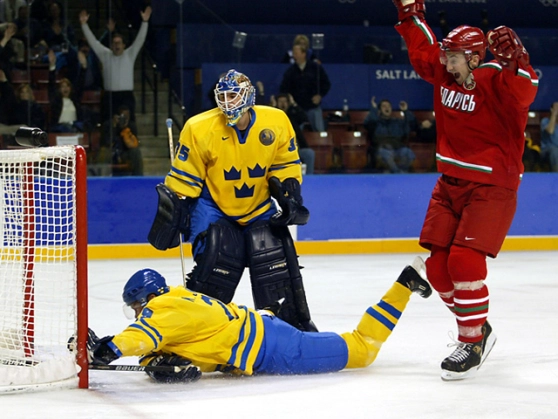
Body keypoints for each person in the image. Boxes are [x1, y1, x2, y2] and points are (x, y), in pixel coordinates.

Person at [390, 0, 538, 380]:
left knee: (463, 263)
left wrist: (518, 59)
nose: (446, 63)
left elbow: (525, 91)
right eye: (447, 56)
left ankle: (471, 341)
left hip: (492, 185)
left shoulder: (496, 80)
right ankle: (479, 327)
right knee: (438, 269)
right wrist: (411, 14)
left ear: (474, 59)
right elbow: (422, 49)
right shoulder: (444, 74)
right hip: (450, 183)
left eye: (454, 57)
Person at [147, 69, 316, 332]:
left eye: (233, 95)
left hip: (258, 204)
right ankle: (198, 327)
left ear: (248, 96)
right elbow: (184, 179)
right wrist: (174, 216)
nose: (227, 102)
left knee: (274, 254)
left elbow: (285, 164)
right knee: (216, 256)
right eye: (222, 96)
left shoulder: (276, 121)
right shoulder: (198, 127)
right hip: (214, 205)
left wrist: (290, 195)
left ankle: (292, 322)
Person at [87, 257, 432, 382]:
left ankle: (404, 285)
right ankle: (404, 284)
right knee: (357, 346)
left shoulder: (164, 310)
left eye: (135, 306)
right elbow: (160, 345)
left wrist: (112, 348)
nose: (136, 312)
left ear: (146, 299)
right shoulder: (175, 302)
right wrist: (157, 364)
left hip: (273, 348)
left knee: (362, 349)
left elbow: (143, 335)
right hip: (265, 335)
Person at [79, 6, 152, 122]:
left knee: (129, 129)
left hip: (126, 97)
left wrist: (145, 22)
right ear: (111, 45)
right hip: (110, 97)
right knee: (108, 126)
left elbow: (140, 40)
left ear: (124, 45)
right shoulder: (105, 55)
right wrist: (84, 25)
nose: (117, 45)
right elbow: (93, 42)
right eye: (114, 43)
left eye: (119, 43)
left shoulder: (129, 54)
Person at [280, 42, 330, 132]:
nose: (294, 56)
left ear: (303, 54)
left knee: (319, 130)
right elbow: (283, 88)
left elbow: (326, 84)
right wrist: (290, 99)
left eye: (296, 53)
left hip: (313, 107)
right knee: (295, 131)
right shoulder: (290, 71)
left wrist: (319, 95)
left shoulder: (315, 68)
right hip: (297, 108)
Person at [364, 97, 416, 173]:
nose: (387, 108)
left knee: (408, 153)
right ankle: (399, 174)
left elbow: (412, 125)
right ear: (380, 110)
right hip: (383, 149)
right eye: (384, 106)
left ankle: (400, 171)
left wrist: (405, 111)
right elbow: (367, 124)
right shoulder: (375, 123)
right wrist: (374, 110)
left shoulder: (397, 122)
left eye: (389, 106)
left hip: (398, 148)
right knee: (386, 154)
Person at [272, 92, 316, 174]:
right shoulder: (273, 116)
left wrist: (294, 104)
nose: (283, 104)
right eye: (280, 101)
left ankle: (310, 178)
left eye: (285, 101)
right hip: (277, 149)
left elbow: (304, 118)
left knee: (309, 153)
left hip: (295, 148)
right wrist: (273, 107)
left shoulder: (293, 116)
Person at [47, 49, 86, 133]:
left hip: (74, 128)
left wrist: (83, 67)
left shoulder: (75, 99)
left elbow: (81, 84)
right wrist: (52, 66)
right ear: (59, 89)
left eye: (67, 86)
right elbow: (51, 86)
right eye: (62, 86)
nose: (65, 88)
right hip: (59, 129)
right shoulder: (56, 100)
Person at [100, 105, 144, 176]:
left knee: (136, 152)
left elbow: (134, 144)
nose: (125, 119)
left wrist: (126, 131)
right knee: (103, 152)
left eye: (127, 116)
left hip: (125, 153)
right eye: (123, 116)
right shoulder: (108, 125)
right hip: (111, 152)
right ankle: (101, 179)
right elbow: (106, 143)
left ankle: (138, 178)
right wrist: (114, 126)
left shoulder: (131, 125)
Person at [540, 102, 558, 172]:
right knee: (555, 151)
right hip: (547, 151)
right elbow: (550, 131)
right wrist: (554, 114)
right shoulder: (545, 121)